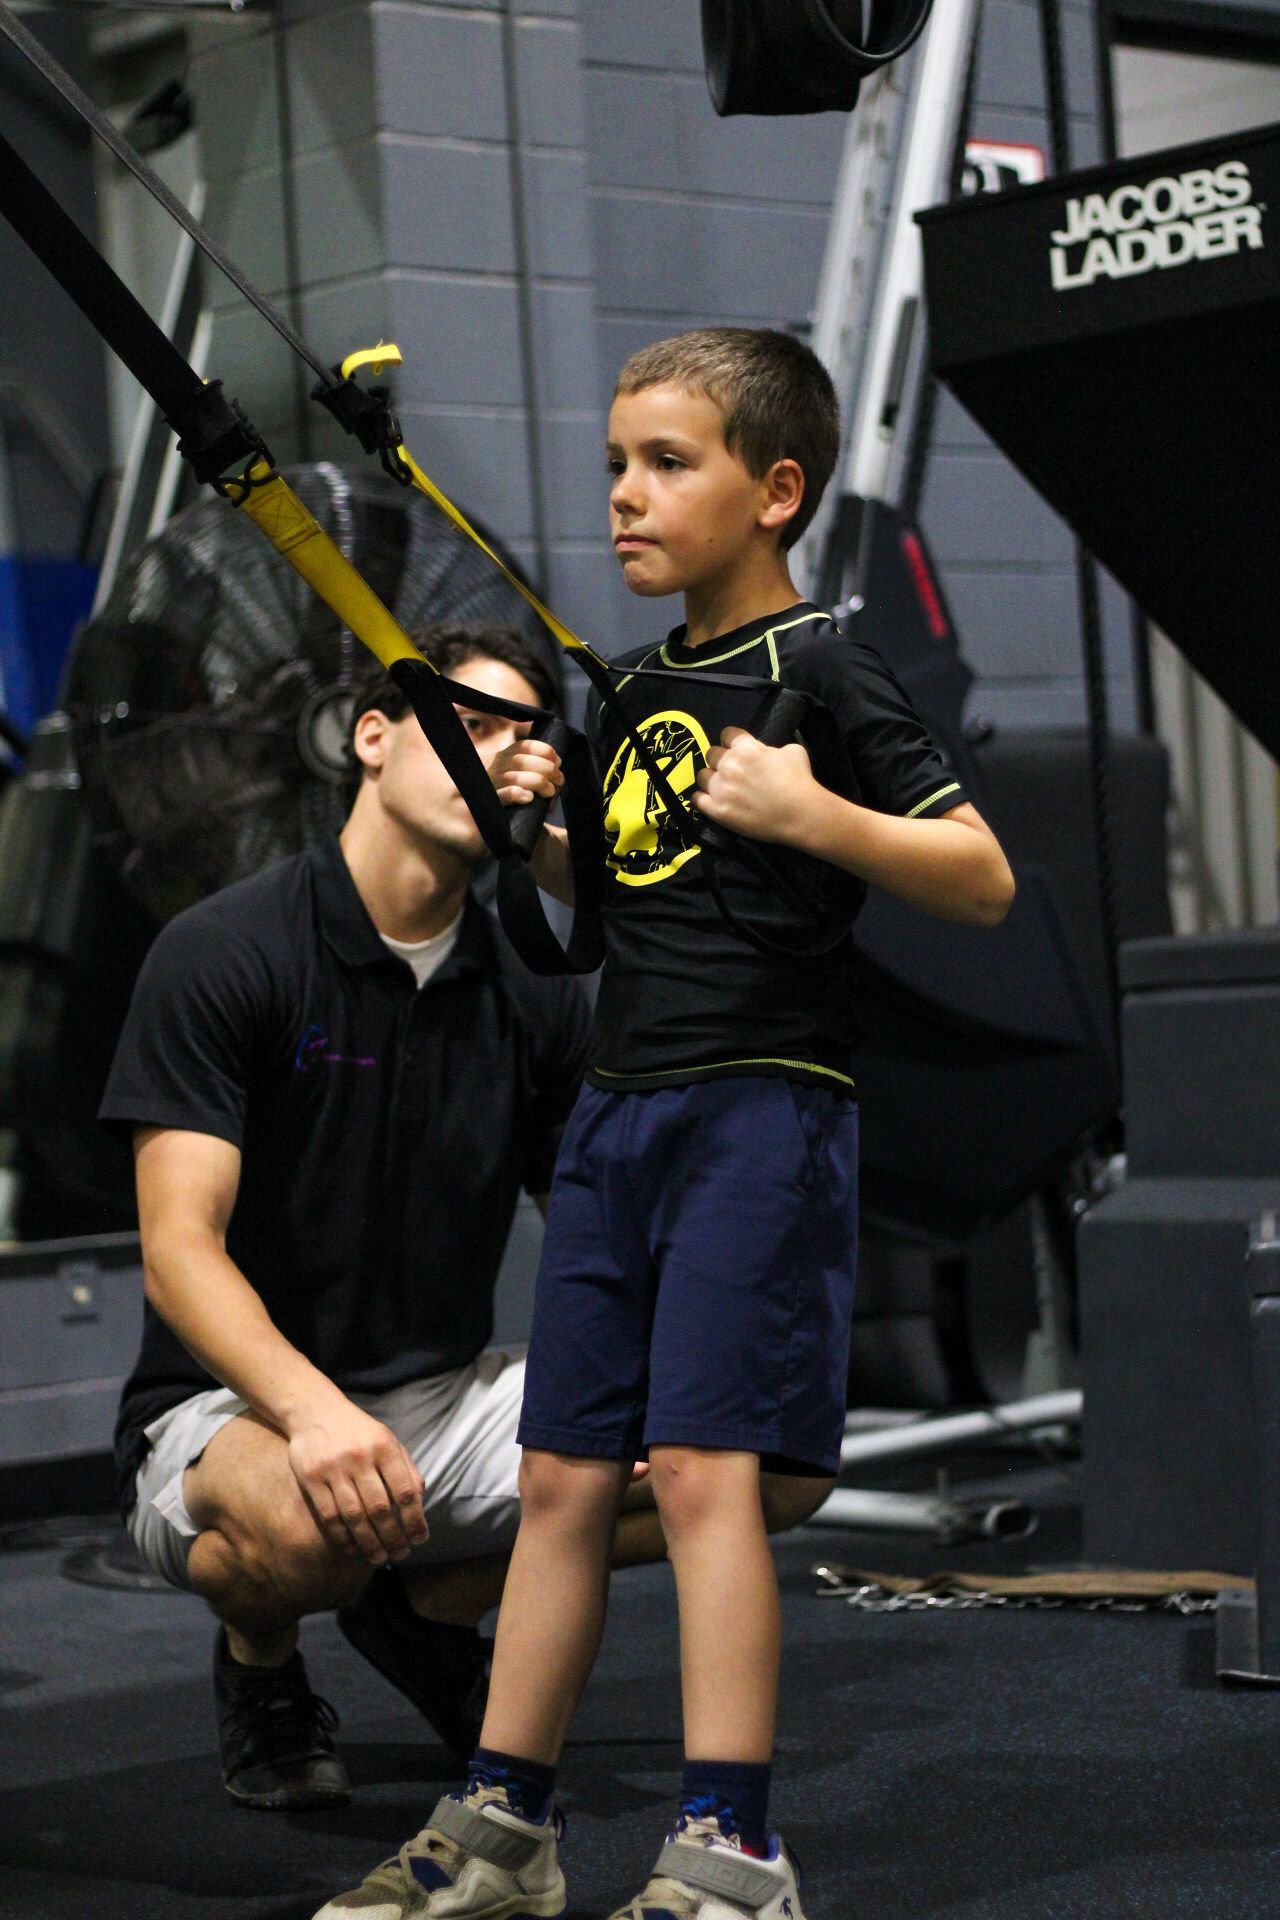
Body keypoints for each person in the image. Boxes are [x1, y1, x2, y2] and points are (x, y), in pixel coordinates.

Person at [315, 329, 1016, 1920]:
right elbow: (627, 903)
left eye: (666, 464)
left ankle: (733, 1854)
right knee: (568, 1478)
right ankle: (501, 1832)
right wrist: (554, 844)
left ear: (776, 491)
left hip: (761, 1115)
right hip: (620, 1119)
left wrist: (813, 813)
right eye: (618, 464)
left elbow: (979, 873)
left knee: (702, 1474)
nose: (625, 497)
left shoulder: (820, 665)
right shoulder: (632, 691)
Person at [103, 621, 672, 1812]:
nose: (501, 764)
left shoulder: (535, 986)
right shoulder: (226, 951)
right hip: (233, 1409)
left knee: (751, 1441)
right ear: (370, 736)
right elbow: (177, 1250)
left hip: (440, 1393)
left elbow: (591, 1222)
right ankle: (262, 1663)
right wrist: (310, 1414)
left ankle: (423, 1613)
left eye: (525, 744)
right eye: (469, 730)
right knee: (310, 1534)